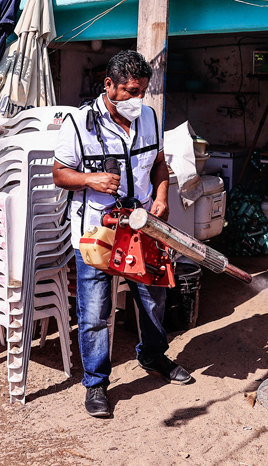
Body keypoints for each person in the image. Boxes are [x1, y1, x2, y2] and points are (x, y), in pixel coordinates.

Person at [53, 50, 192, 418]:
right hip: (97, 232)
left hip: (144, 226)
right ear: (109, 85)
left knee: (152, 300)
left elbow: (159, 164)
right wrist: (89, 179)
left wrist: (161, 197)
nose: (137, 99)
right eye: (130, 91)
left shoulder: (149, 117)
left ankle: (153, 355)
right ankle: (96, 384)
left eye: (142, 91)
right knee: (96, 311)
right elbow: (59, 174)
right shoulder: (78, 123)